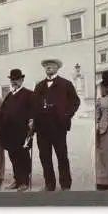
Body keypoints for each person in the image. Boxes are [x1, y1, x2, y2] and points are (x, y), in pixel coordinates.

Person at [33, 58, 80, 191]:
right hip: (42, 128)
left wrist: (66, 115)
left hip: (58, 127)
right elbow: (34, 104)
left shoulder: (66, 84)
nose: (48, 67)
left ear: (57, 68)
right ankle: (49, 184)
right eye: (46, 66)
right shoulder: (39, 85)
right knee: (45, 157)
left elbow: (75, 102)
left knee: (62, 156)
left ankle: (65, 184)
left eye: (51, 65)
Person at [0, 69, 35, 192]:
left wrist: (31, 128)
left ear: (22, 80)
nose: (14, 81)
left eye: (17, 79)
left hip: (22, 133)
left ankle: (24, 181)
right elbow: (3, 112)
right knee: (13, 157)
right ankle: (17, 179)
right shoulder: (9, 95)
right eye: (12, 79)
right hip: (9, 133)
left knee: (22, 157)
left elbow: (33, 113)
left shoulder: (29, 94)